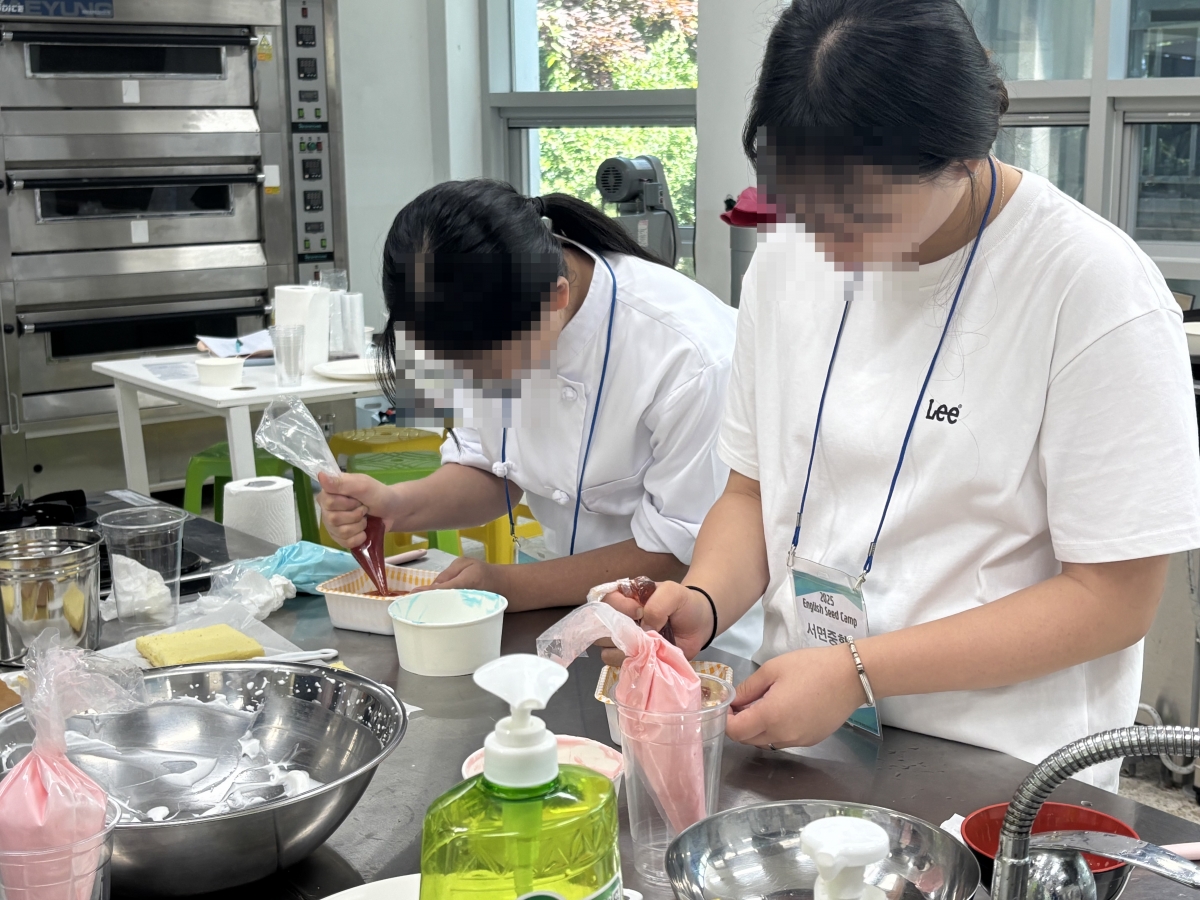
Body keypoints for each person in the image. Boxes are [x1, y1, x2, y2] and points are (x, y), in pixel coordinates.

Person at [600, 0, 1200, 790]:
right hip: (804, 730)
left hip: (998, 770)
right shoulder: (787, 262)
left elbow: (1112, 600)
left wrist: (860, 669)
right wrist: (705, 600)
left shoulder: (1092, 290)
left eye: (860, 213)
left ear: (962, 154)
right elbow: (752, 492)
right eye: (804, 205)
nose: (827, 242)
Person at [318, 179, 763, 657]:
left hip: (694, 636)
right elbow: (493, 469)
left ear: (556, 298)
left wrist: (509, 584)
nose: (472, 380)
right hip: (573, 611)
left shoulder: (689, 355)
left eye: (485, 365)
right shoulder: (488, 320)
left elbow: (679, 550)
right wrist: (396, 505)